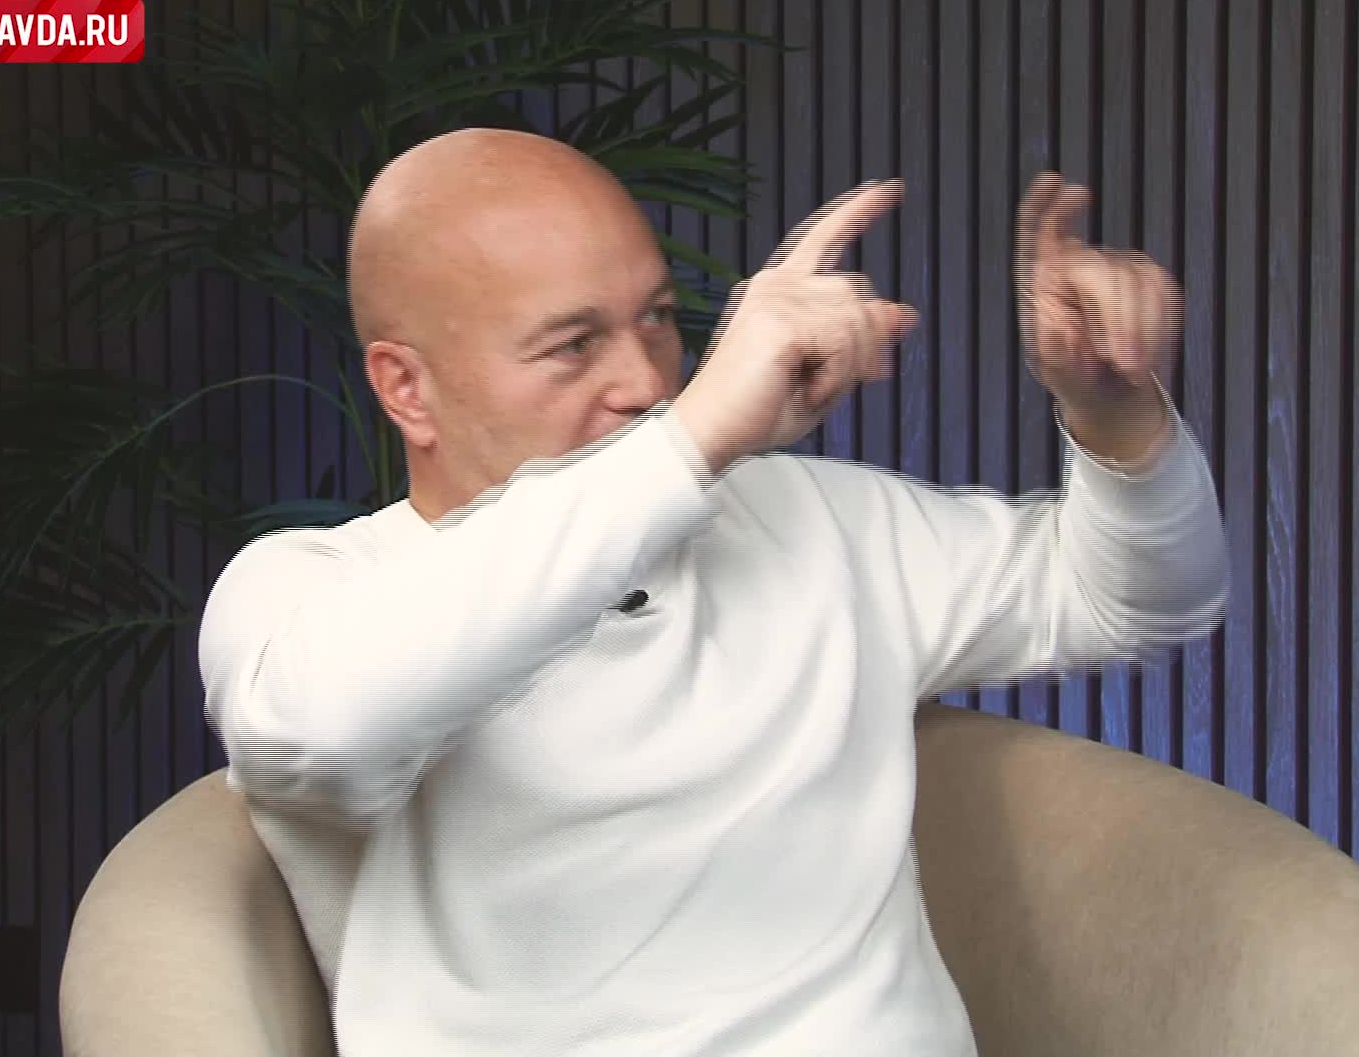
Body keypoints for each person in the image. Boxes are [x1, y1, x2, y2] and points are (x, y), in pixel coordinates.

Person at [198, 127, 1228, 1055]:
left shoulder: (813, 524)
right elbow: (320, 736)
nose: (649, 382)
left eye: (656, 319)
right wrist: (697, 441)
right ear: (405, 388)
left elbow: (1143, 600)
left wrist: (1114, 414)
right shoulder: (313, 594)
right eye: (573, 344)